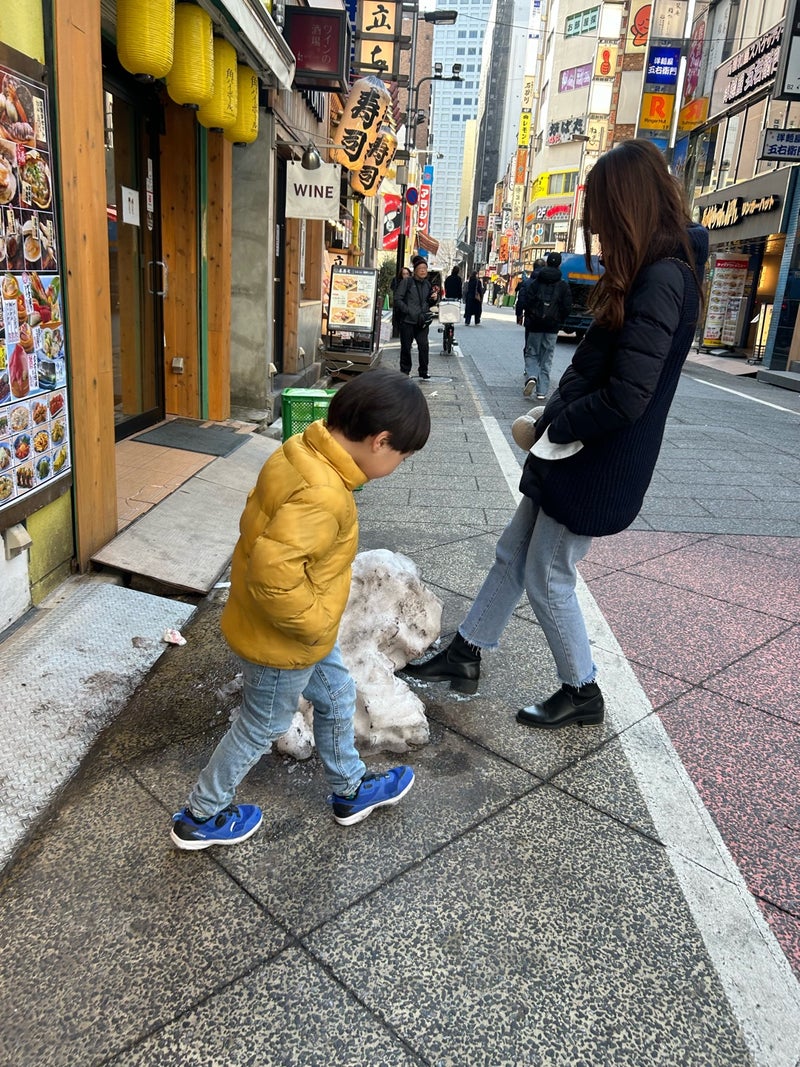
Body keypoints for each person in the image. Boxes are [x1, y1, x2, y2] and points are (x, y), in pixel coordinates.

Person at [400, 139, 708, 731]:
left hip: (597, 458)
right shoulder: (655, 270)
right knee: (514, 551)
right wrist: (554, 422)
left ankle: (581, 689)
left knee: (548, 573)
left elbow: (628, 395)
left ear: (628, 208)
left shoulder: (662, 278)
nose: (600, 235)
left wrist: (557, 423)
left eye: (604, 218)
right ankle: (465, 652)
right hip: (575, 449)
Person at [170, 369, 431, 849]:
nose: (400, 464)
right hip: (287, 639)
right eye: (403, 456)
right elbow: (275, 577)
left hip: (297, 630)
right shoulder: (323, 493)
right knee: (262, 724)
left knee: (336, 696)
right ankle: (200, 815)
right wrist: (314, 626)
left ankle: (349, 789)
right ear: (380, 441)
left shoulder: (300, 452)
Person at [522, 251, 572, 399]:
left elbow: (527, 301)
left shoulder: (536, 283)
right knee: (547, 358)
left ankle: (532, 376)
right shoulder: (563, 285)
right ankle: (542, 391)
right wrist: (559, 320)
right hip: (552, 327)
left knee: (532, 353)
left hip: (535, 325)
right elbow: (567, 307)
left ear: (547, 263)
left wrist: (530, 316)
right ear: (559, 265)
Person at [394, 255, 437, 380]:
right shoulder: (407, 282)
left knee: (424, 346)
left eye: (425, 268)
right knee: (406, 347)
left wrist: (434, 299)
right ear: (415, 270)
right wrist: (407, 311)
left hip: (422, 321)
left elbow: (429, 302)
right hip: (407, 321)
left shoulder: (427, 284)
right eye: (420, 268)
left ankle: (423, 370)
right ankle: (405, 371)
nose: (423, 270)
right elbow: (397, 299)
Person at [391, 266, 412, 336]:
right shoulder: (397, 283)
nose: (406, 276)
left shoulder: (412, 283)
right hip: (400, 310)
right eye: (404, 274)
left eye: (407, 274)